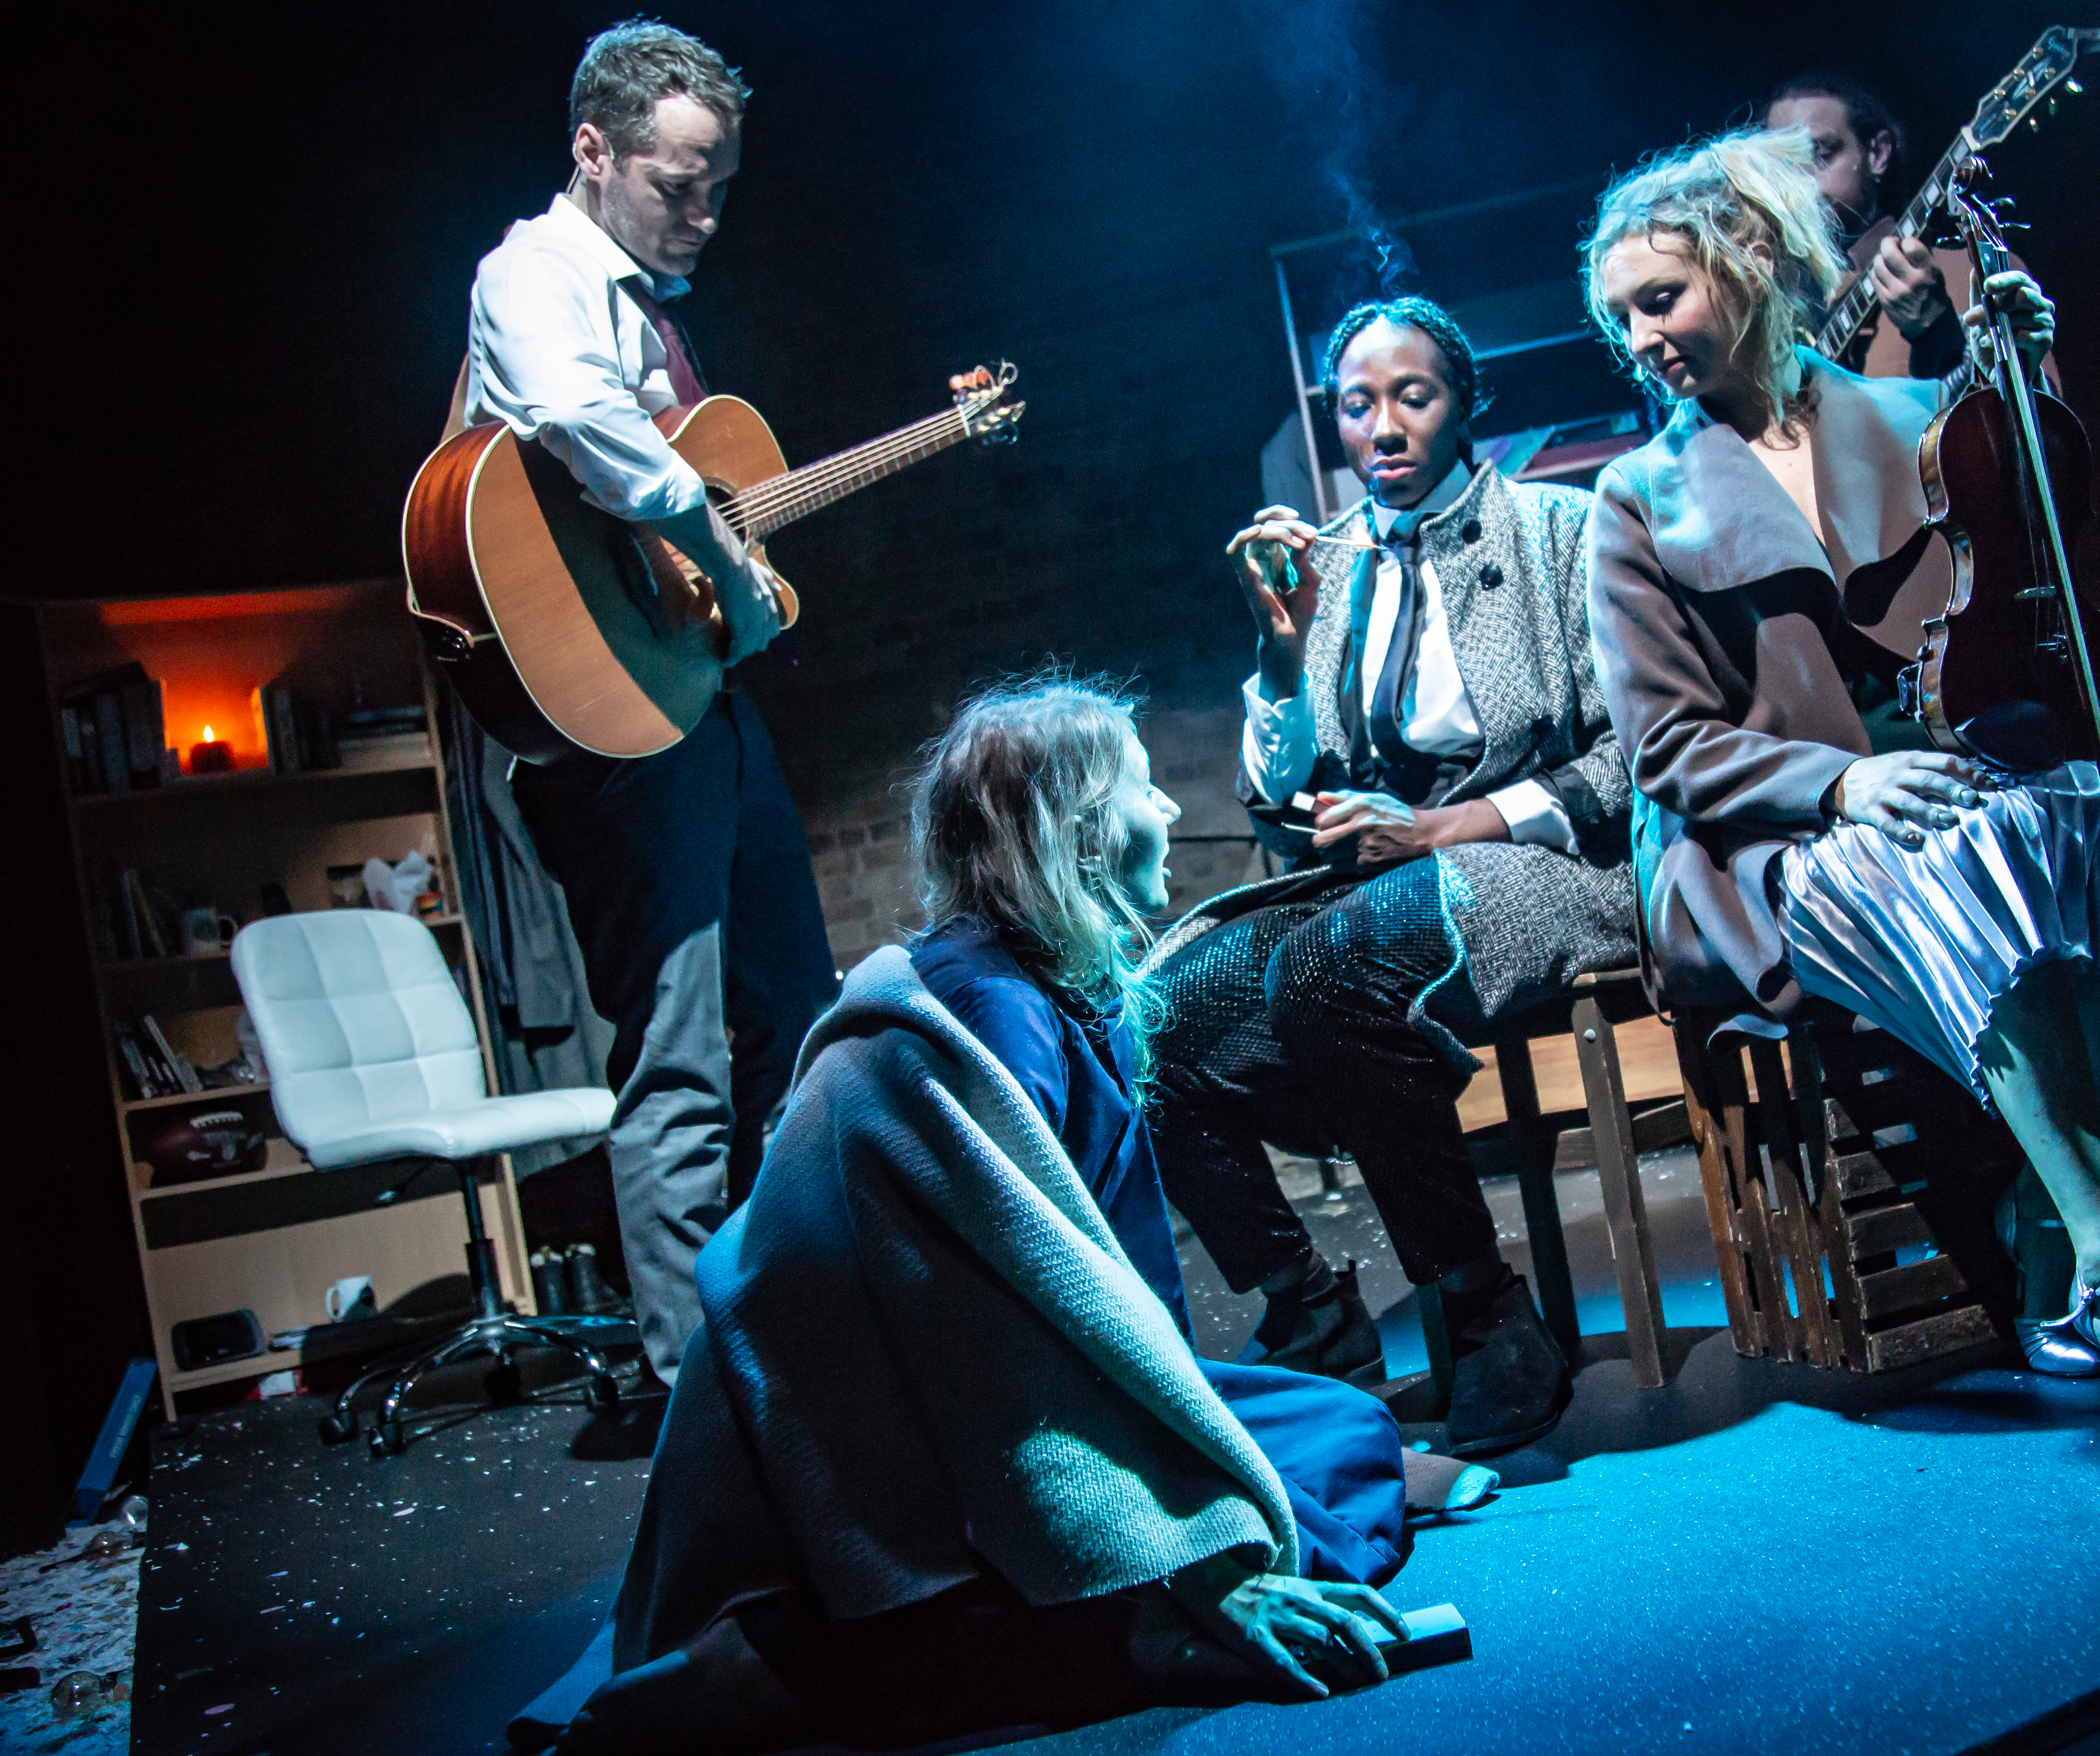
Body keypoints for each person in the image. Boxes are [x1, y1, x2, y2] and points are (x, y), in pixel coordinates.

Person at [535, 679, 1459, 1754]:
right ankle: (792, 1665)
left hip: (993, 1380)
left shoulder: (1054, 981)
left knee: (1339, 1430)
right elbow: (990, 1323)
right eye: (1144, 791)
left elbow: (1098, 1286)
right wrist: (1191, 1559)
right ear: (1075, 836)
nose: (1167, 812)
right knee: (1230, 1547)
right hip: (893, 1428)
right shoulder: (992, 1012)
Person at [1580, 126, 2100, 1436]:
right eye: (1618, 315)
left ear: (1747, 264)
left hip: (1938, 788)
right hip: (1755, 843)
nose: (1639, 337)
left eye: (1659, 298)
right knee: (1936, 853)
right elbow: (1663, 750)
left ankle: (2042, 1249)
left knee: (2099, 812)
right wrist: (1837, 789)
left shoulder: (1913, 423)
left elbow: (2038, 553)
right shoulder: (1632, 499)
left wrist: (2016, 365)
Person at [1143, 296, 1638, 1459]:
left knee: (1331, 966)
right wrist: (1278, 648)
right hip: (1374, 894)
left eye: (1412, 397)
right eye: (1358, 404)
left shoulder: (1560, 530)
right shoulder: (1332, 563)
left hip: (1540, 862)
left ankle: (1483, 1310)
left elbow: (1631, 756)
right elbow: (1277, 798)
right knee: (1149, 1015)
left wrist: (1448, 826)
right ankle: (1308, 1313)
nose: (1385, 426)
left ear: (1464, 404)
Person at [460, 21, 846, 1384]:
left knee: (806, 1018)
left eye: (720, 185)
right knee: (678, 1062)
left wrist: (720, 568)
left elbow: (664, 475)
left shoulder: (640, 302)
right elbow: (580, 421)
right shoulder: (535, 272)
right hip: (618, 725)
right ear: (593, 151)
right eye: (678, 181)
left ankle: (814, 1326)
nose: (703, 213)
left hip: (700, 707)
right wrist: (723, 554)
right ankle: (707, 1408)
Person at [1765, 71, 2052, 389]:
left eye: (1818, 154)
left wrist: (1940, 336)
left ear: (1877, 154)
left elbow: (2041, 427)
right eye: (1781, 166)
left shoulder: (1979, 273)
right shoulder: (1768, 301)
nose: (1797, 182)